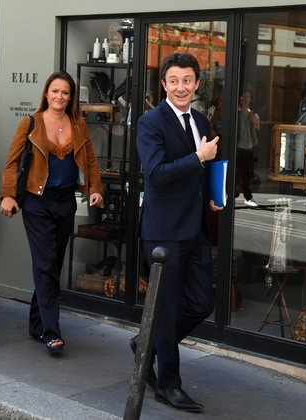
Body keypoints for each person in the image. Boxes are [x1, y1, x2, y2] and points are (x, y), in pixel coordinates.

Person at [134, 52, 222, 412]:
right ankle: (168, 385)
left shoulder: (201, 119)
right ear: (164, 84)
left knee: (202, 303)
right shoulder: (150, 122)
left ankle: (147, 342)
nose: (181, 86)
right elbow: (155, 173)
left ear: (197, 83)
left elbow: (205, 168)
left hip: (195, 227)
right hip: (164, 233)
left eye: (188, 80)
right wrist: (198, 159)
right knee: (168, 312)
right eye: (174, 80)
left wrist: (215, 195)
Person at [0, 71, 104, 354]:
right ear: (46, 93)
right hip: (37, 202)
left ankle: (36, 323)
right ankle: (51, 332)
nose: (60, 96)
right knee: (45, 265)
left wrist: (95, 188)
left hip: (66, 201)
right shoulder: (31, 123)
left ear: (71, 97)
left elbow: (91, 161)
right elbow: (12, 163)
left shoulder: (79, 125)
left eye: (65, 92)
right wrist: (9, 195)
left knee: (52, 265)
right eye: (55, 91)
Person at [235, 86, 260, 207]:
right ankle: (243, 196)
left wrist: (254, 121)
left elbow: (258, 127)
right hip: (236, 147)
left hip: (248, 147)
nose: (245, 99)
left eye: (248, 97)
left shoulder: (252, 113)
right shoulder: (235, 112)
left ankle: (246, 196)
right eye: (243, 96)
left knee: (244, 174)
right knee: (237, 173)